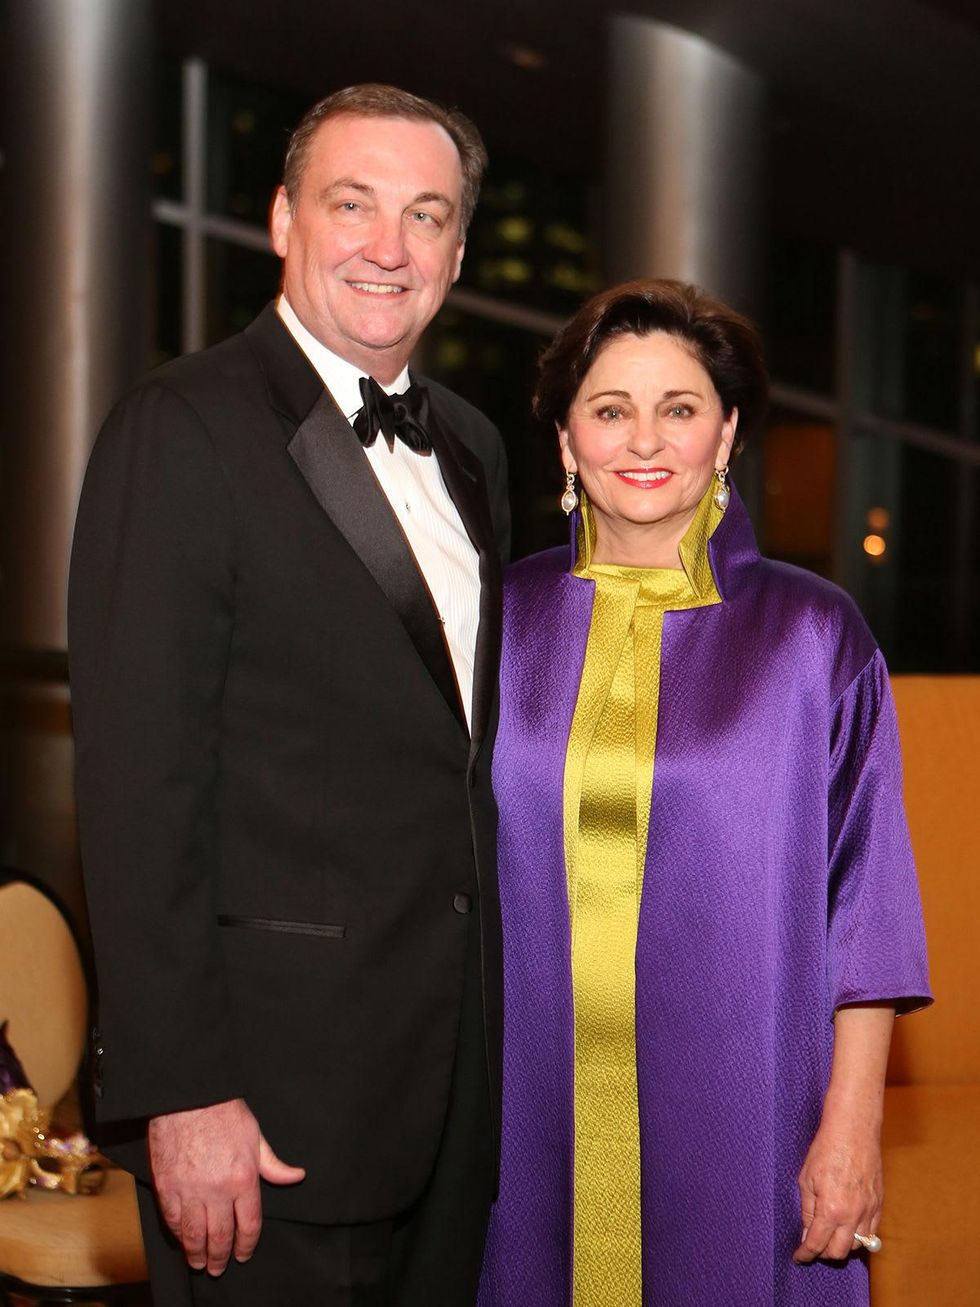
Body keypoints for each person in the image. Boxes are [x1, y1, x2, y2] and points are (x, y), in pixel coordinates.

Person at [68, 83, 509, 1307]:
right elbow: (135, 785)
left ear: (458, 251)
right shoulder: (181, 426)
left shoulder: (470, 444)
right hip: (267, 1102)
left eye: (426, 216)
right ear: (280, 219)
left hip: (450, 1088)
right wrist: (180, 1088)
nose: (388, 245)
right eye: (351, 203)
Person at [477, 279, 930, 1307]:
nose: (644, 437)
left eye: (678, 408)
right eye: (608, 408)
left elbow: (865, 911)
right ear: (563, 439)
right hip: (520, 1121)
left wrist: (851, 1127)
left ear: (724, 432)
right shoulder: (494, 622)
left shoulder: (812, 636)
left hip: (746, 1125)